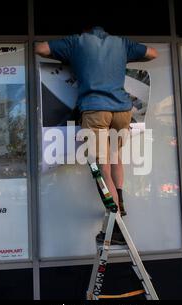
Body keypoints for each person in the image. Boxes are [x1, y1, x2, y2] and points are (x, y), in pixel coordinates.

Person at [35, 25, 158, 243]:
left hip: (95, 109)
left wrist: (73, 58)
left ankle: (116, 223)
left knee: (102, 168)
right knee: (115, 158)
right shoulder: (121, 43)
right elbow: (152, 53)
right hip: (123, 110)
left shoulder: (77, 42)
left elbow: (40, 49)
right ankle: (120, 202)